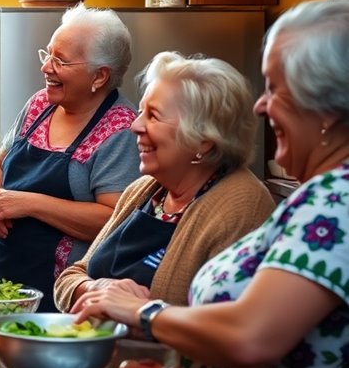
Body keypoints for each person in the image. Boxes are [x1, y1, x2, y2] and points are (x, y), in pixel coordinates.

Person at [74, 0, 349, 368]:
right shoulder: (324, 197)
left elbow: (252, 337)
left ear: (327, 109)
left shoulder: (334, 203)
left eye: (276, 88)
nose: (261, 106)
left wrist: (143, 312)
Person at [53, 52, 275, 312]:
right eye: (140, 113)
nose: (135, 126)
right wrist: (96, 288)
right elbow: (69, 278)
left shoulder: (242, 206)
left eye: (154, 116)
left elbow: (223, 326)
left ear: (203, 138)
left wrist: (138, 312)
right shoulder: (144, 190)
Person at [0, 3, 139, 312]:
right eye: (47, 54)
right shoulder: (40, 104)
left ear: (100, 76)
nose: (46, 67)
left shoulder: (121, 131)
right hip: (0, 280)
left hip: (62, 297)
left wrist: (26, 203)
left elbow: (112, 218)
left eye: (60, 60)